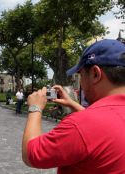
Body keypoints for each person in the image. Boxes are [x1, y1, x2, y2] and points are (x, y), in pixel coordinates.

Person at [22, 39, 125, 173]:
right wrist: (73, 104)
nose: (81, 82)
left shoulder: (80, 125)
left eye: (81, 75)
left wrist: (35, 108)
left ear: (95, 74)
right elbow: (111, 122)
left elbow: (31, 154)